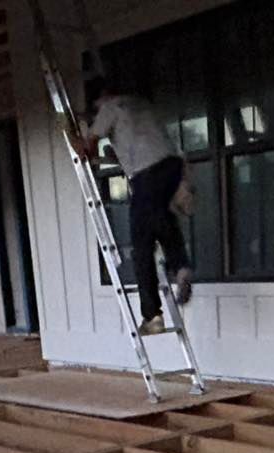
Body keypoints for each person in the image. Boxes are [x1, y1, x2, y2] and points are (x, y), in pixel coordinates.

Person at [84, 77, 192, 335]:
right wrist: (114, 155)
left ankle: (152, 316)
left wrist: (74, 135)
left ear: (102, 97)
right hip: (173, 166)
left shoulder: (109, 108)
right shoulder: (140, 103)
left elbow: (86, 149)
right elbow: (140, 144)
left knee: (141, 245)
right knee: (162, 218)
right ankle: (181, 266)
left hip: (147, 174)